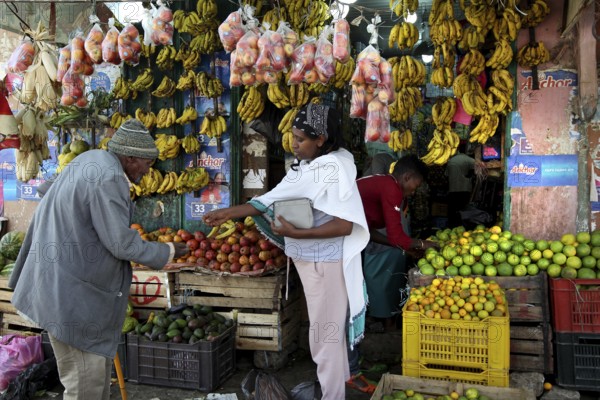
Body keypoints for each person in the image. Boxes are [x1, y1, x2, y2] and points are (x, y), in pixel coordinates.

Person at [8, 119, 189, 400]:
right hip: (72, 302)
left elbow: (47, 190)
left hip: (59, 288)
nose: (147, 171)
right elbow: (120, 243)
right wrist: (168, 252)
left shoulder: (90, 159)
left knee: (94, 382)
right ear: (129, 157)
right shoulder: (110, 177)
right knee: (85, 387)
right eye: (146, 164)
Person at [203, 104, 369, 400]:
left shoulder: (332, 168)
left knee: (325, 336)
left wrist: (297, 234)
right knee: (326, 333)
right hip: (313, 262)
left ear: (321, 139)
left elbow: (344, 225)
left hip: (325, 262)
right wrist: (229, 213)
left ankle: (333, 396)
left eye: (300, 139)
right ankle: (335, 389)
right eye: (292, 136)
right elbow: (272, 199)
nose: (293, 143)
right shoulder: (310, 166)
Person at [346, 155, 439, 393]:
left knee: (352, 304)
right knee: (346, 306)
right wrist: (425, 245)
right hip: (337, 242)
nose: (412, 192)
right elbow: (397, 236)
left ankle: (352, 363)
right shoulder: (392, 188)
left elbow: (368, 232)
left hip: (349, 240)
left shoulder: (385, 184)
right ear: (407, 177)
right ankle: (349, 370)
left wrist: (404, 246)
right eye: (415, 186)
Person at [446, 141, 485, 228]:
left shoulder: (451, 160)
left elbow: (446, 175)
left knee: (453, 209)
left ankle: (452, 226)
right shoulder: (469, 160)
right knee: (464, 209)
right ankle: (462, 226)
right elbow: (478, 170)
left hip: (452, 189)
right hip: (464, 188)